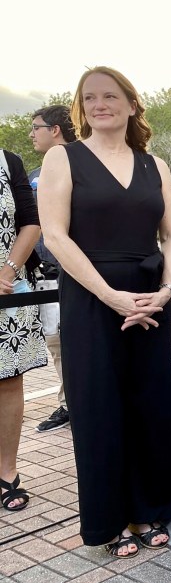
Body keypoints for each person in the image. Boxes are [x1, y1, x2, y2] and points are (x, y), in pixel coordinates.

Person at [39, 66, 171, 557]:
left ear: (130, 103)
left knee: (152, 401)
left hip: (149, 296)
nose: (101, 104)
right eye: (91, 98)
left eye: (111, 96)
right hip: (89, 296)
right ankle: (110, 519)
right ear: (82, 108)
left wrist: (165, 290)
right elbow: (55, 236)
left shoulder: (154, 165)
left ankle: (151, 508)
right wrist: (109, 295)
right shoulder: (63, 158)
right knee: (100, 407)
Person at [0, 147, 45, 512]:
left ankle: (7, 472)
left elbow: (31, 221)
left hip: (7, 286)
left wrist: (8, 270)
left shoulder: (8, 161)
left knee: (9, 378)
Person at [28, 105, 77, 432]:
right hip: (45, 276)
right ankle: (68, 404)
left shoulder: (84, 162)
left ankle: (87, 402)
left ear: (55, 129)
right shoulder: (33, 174)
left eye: (36, 127)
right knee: (56, 343)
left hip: (78, 273)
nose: (31, 134)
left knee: (82, 342)